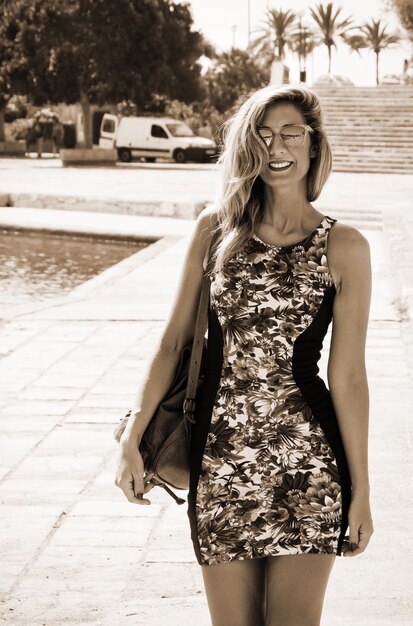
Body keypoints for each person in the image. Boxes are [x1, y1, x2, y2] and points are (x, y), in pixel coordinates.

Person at [114, 84, 374, 626]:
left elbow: (347, 377)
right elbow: (172, 343)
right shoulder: (216, 229)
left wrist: (361, 492)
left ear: (313, 143)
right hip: (221, 463)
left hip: (310, 467)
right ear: (247, 147)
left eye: (290, 133)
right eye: (262, 134)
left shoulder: (345, 246)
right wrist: (131, 439)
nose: (276, 146)